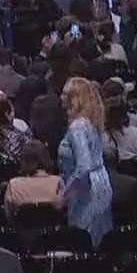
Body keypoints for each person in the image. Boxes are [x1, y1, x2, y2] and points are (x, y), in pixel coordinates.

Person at [56, 78, 111, 243]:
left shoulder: (78, 127)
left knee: (84, 239)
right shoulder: (89, 123)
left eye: (65, 94)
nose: (60, 97)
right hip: (99, 182)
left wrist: (64, 195)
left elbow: (83, 166)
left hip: (86, 190)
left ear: (74, 98)